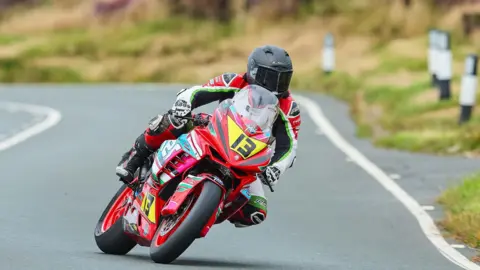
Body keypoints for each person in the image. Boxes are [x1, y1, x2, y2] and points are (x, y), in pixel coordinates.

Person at [116, 45, 301, 228]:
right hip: (215, 131)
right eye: (270, 77)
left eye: (283, 79)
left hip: (247, 157)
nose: (276, 85)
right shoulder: (234, 81)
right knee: (172, 122)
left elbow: (289, 146)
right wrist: (184, 104)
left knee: (255, 212)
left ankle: (204, 212)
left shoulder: (289, 108)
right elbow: (197, 92)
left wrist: (275, 168)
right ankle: (134, 157)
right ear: (253, 70)